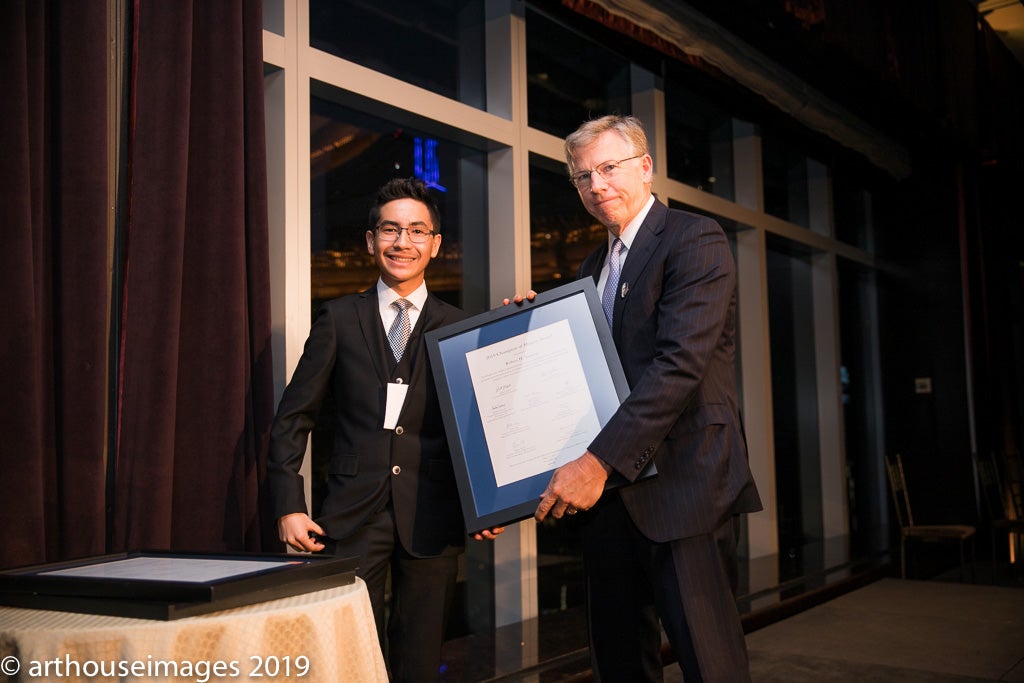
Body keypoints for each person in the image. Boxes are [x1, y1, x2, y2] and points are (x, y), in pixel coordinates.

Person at [524, 115, 762, 682]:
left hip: (685, 490)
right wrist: (538, 328)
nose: (597, 186)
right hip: (608, 501)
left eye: (608, 168)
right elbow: (593, 376)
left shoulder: (693, 238)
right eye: (582, 177)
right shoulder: (591, 268)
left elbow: (678, 367)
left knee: (709, 662)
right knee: (618, 664)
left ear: (646, 166)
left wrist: (596, 461)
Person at [267, 177, 503, 682]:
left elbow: (479, 425)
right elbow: (294, 416)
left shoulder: (461, 325)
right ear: (371, 240)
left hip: (433, 518)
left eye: (417, 231)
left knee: (419, 660)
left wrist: (489, 501)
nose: (403, 242)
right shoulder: (338, 318)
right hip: (350, 515)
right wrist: (289, 503)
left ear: (436, 245)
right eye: (390, 230)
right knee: (347, 658)